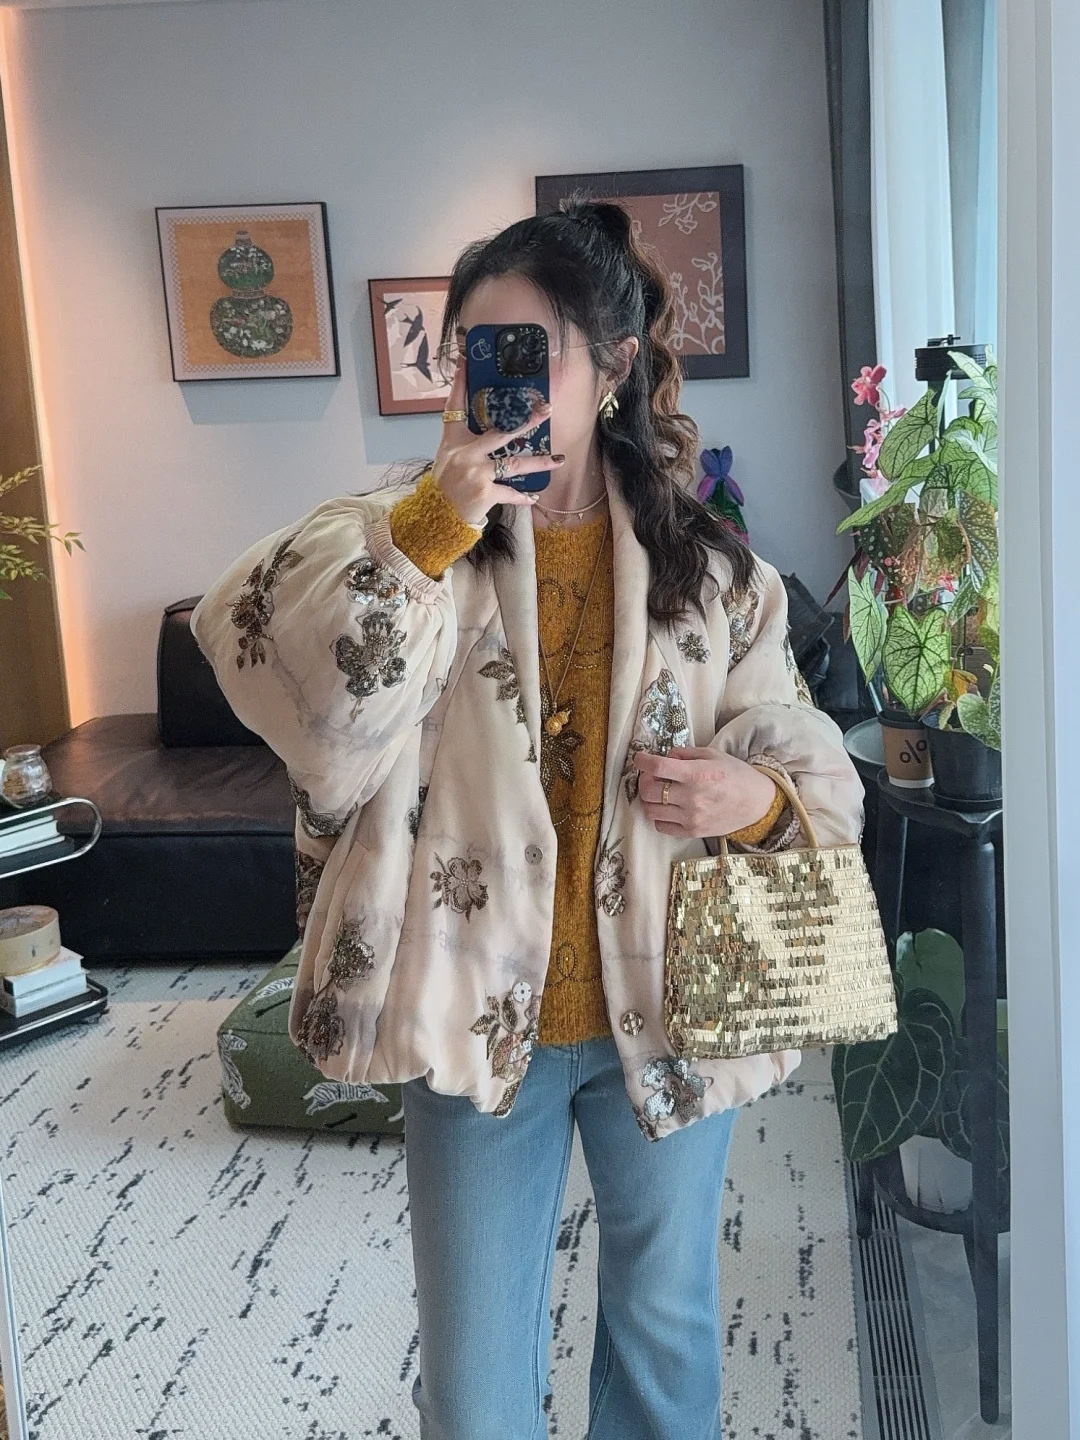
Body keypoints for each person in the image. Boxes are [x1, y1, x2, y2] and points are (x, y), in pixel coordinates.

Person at [190, 199, 863, 1440]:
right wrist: (428, 531)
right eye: (471, 356)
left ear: (611, 369)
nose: (490, 386)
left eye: (527, 354)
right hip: (468, 1011)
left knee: (666, 1340)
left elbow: (808, 762)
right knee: (474, 1376)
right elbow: (288, 684)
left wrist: (756, 797)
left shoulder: (713, 572)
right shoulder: (398, 530)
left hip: (669, 1001)